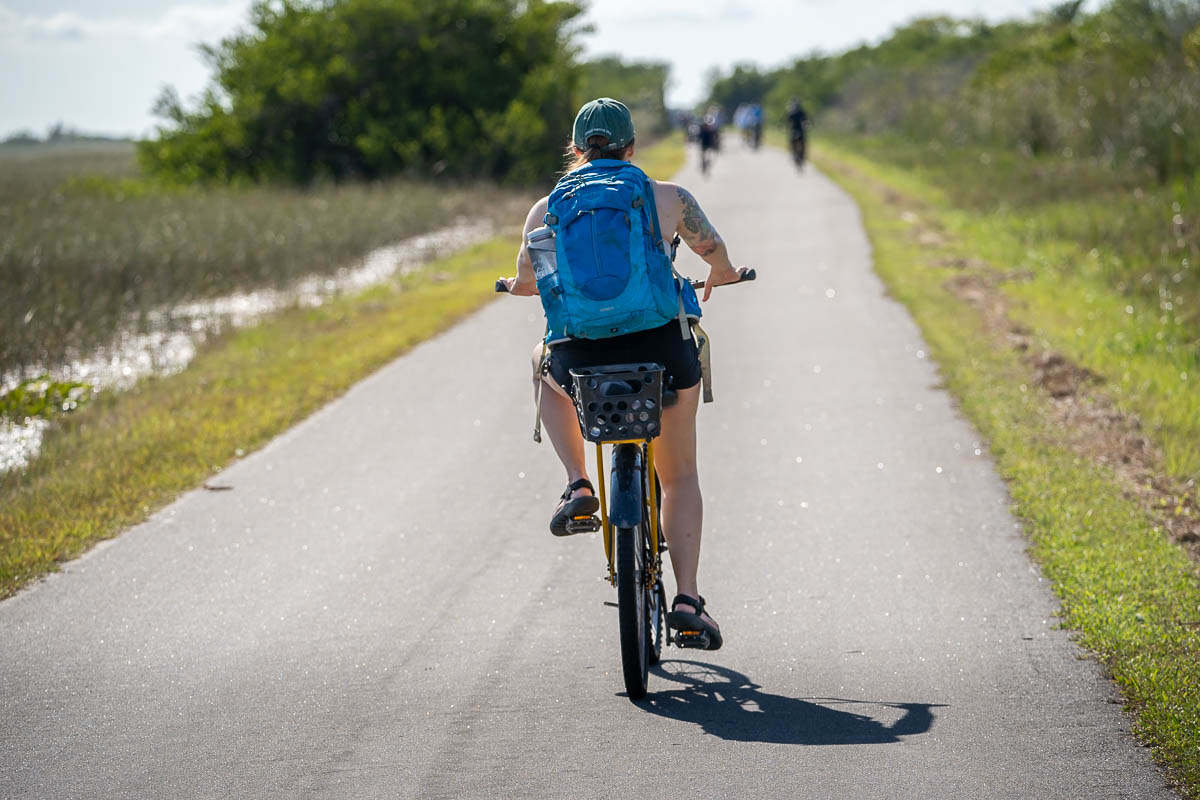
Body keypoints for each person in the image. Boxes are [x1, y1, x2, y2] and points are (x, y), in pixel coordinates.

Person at [501, 97, 749, 649]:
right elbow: (712, 250)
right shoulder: (667, 197)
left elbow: (527, 276)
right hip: (661, 348)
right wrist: (725, 274)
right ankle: (687, 600)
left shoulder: (547, 209)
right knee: (680, 475)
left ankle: (578, 483)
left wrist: (516, 287)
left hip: (580, 354)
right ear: (631, 146)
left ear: (575, 148)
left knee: (542, 364)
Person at [786, 98, 808, 166]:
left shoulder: (793, 112)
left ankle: (797, 154)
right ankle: (797, 154)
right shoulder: (800, 112)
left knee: (798, 143)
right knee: (799, 143)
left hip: (797, 130)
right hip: (797, 130)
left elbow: (788, 122)